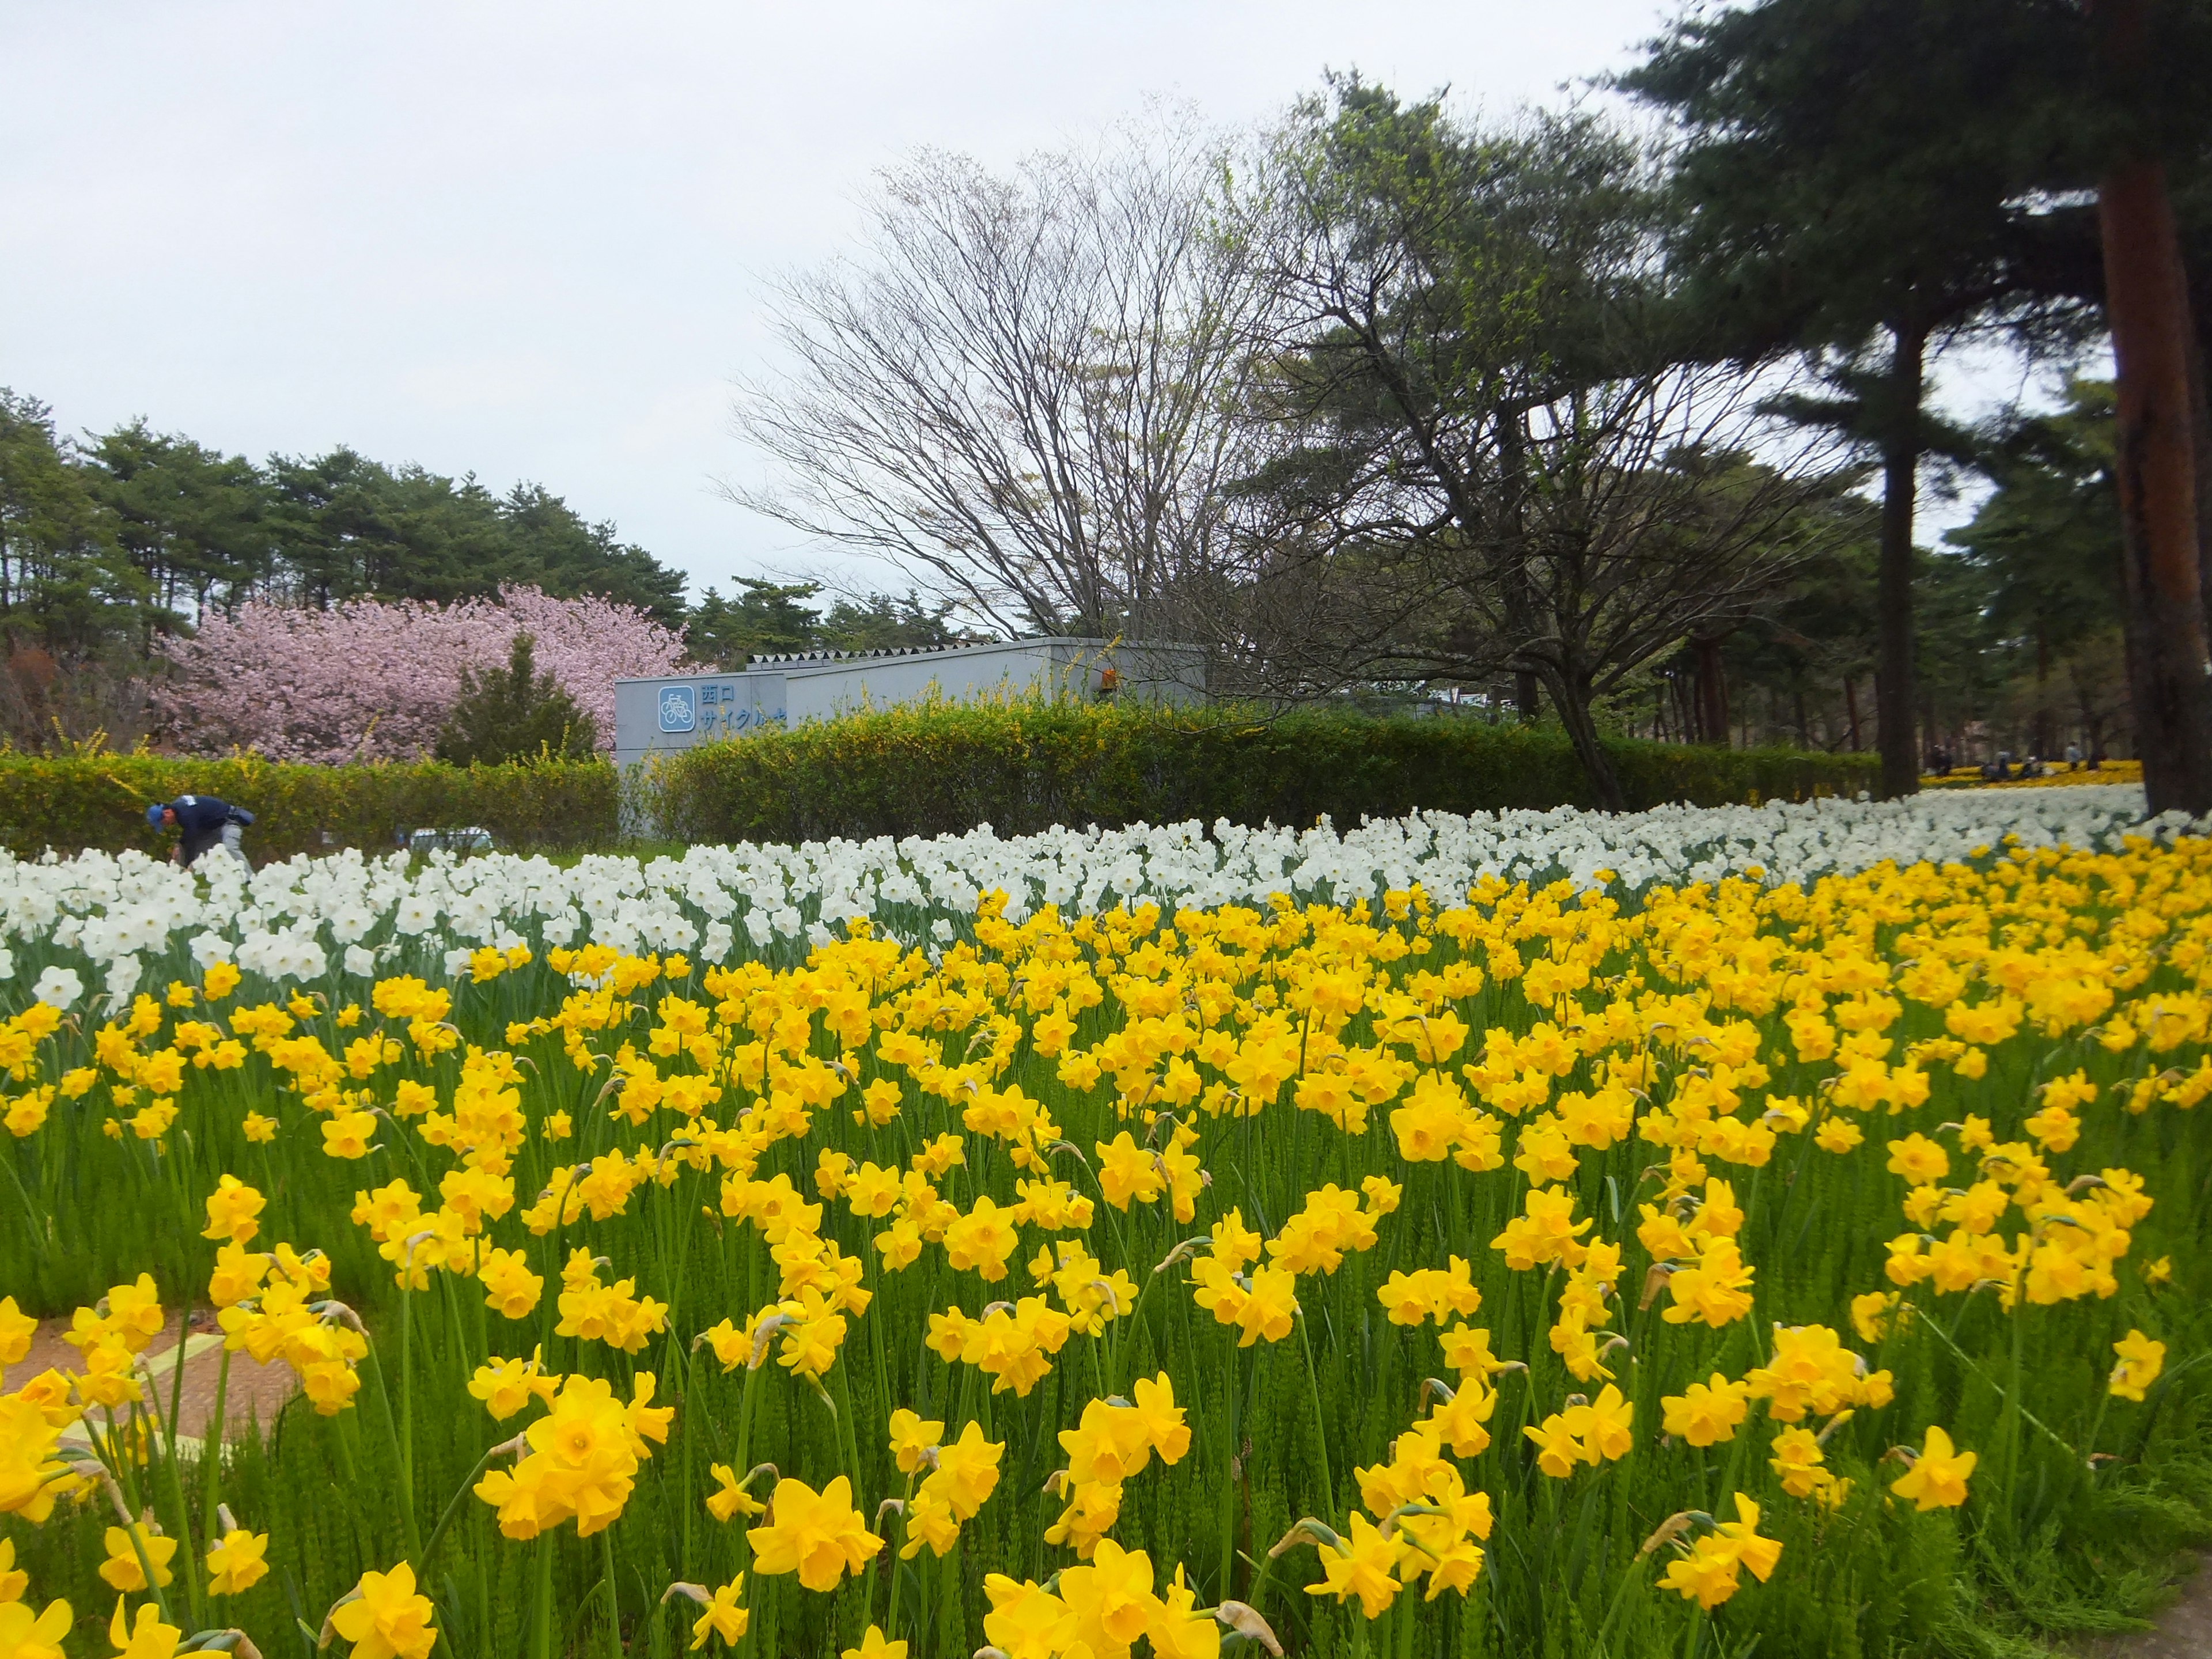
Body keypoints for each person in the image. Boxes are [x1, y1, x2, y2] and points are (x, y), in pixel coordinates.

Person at [146, 794, 254, 870]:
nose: (166, 825)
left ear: (167, 813)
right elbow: (189, 834)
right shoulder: (180, 808)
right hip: (212, 827)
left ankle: (249, 879)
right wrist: (178, 846)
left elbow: (191, 837)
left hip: (229, 822)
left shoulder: (185, 814)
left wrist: (188, 863)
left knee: (230, 848)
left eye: (164, 822)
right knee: (200, 855)